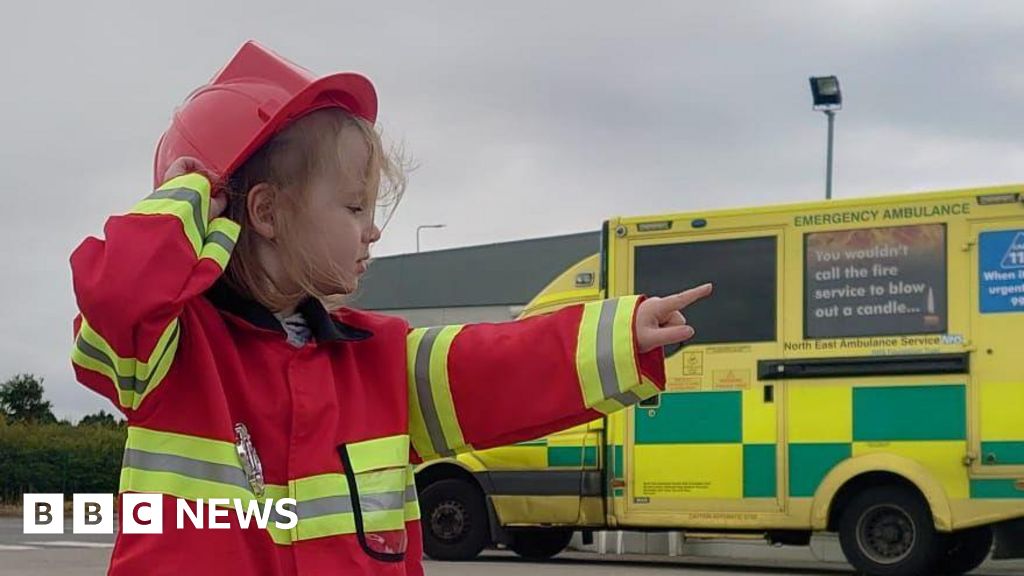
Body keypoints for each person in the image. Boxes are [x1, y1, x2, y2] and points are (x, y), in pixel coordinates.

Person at [69, 40, 713, 575]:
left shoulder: (378, 357)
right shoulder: (165, 351)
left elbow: (496, 366)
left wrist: (623, 336)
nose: (372, 231)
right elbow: (118, 293)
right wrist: (190, 196)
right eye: (354, 208)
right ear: (263, 212)